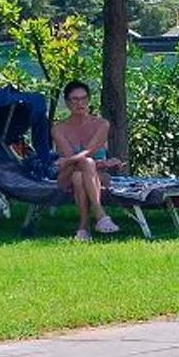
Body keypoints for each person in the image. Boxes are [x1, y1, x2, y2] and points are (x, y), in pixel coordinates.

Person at [52, 81, 124, 239]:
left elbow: (86, 153)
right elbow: (75, 162)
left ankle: (83, 228)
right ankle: (100, 215)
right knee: (82, 167)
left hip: (98, 175)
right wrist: (104, 162)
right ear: (67, 102)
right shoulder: (58, 129)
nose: (80, 103)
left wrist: (98, 164)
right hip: (67, 175)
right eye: (75, 99)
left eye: (84, 99)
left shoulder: (101, 124)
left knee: (81, 174)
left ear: (89, 100)